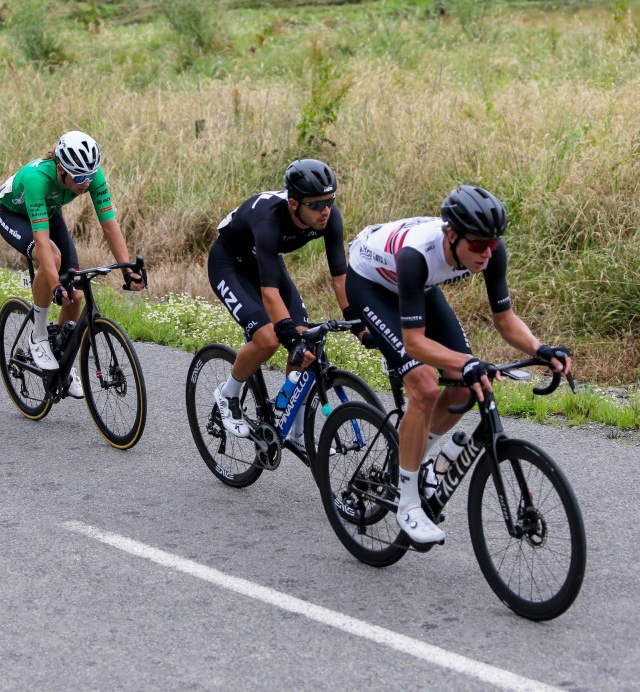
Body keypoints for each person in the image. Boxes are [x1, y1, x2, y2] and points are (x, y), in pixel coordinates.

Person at [344, 185, 572, 544]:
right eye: (477, 245)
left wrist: (540, 348)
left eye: (492, 245)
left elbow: (505, 319)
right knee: (424, 387)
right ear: (451, 235)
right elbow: (414, 342)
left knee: (465, 383)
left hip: (419, 288)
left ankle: (417, 457)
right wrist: (468, 361)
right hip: (370, 283)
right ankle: (407, 504)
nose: (486, 253)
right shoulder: (417, 255)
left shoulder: (490, 251)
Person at [208, 158, 358, 454]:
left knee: (305, 341)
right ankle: (228, 394)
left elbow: (340, 279)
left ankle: (297, 429)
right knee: (268, 340)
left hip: (266, 261)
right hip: (229, 263)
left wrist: (358, 323)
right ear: (293, 204)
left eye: (330, 201)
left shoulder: (329, 219)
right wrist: (289, 338)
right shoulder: (269, 220)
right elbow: (269, 293)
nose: (325, 210)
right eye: (316, 205)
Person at [0, 130, 144, 398]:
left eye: (90, 174)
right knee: (51, 258)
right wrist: (54, 284)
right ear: (61, 169)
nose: (85, 182)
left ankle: (63, 363)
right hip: (15, 216)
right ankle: (37, 337)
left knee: (75, 294)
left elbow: (110, 225)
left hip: (49, 213)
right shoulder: (37, 180)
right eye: (78, 176)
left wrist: (127, 268)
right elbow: (41, 242)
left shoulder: (91, 176)